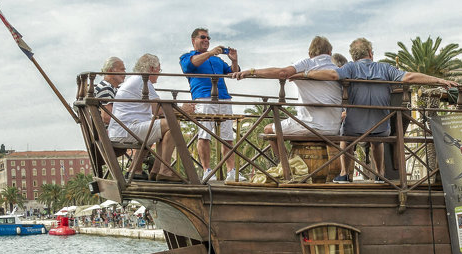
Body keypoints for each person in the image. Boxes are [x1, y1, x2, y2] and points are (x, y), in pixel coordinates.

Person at [307, 37, 460, 179]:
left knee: (344, 137)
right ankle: (380, 174)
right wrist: (438, 80)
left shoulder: (350, 68)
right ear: (370, 53)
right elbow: (409, 78)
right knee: (377, 140)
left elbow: (333, 75)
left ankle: (344, 174)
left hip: (354, 128)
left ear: (353, 56)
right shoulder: (385, 68)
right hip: (381, 126)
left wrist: (307, 73)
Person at [233, 36, 343, 155]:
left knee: (268, 129)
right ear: (329, 52)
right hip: (334, 128)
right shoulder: (337, 70)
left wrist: (252, 71)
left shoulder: (307, 63)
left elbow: (282, 73)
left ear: (310, 53)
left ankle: (285, 167)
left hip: (311, 125)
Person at [109, 54, 191, 181]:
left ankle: (156, 170)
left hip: (122, 129)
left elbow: (158, 111)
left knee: (164, 127)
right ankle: (164, 170)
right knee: (173, 124)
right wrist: (184, 110)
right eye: (159, 70)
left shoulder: (136, 79)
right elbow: (159, 110)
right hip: (126, 131)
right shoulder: (143, 81)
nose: (159, 73)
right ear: (152, 68)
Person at [181, 27, 241, 181]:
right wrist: (210, 53)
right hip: (204, 97)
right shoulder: (187, 56)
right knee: (204, 134)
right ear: (193, 40)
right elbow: (191, 65)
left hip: (224, 97)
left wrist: (234, 60)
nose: (206, 40)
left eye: (208, 38)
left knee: (227, 136)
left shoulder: (217, 60)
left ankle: (231, 171)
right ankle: (207, 170)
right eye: (203, 37)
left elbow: (233, 73)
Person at [94, 57, 124, 126]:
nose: (125, 73)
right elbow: (106, 117)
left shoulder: (110, 88)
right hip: (112, 133)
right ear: (110, 71)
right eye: (122, 69)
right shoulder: (106, 88)